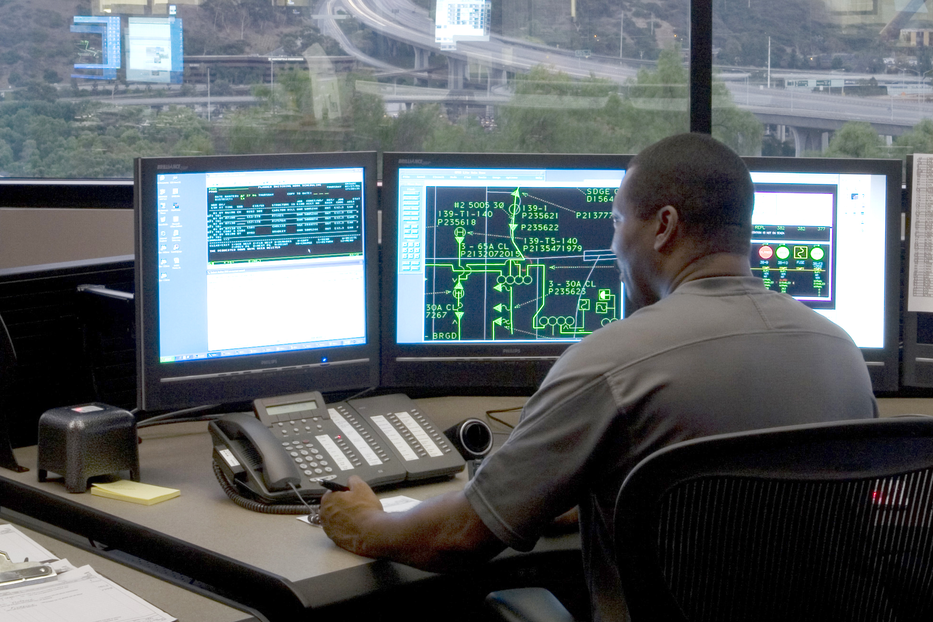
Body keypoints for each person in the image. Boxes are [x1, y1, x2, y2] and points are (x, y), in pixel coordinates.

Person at [318, 132, 877, 620]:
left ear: (663, 227)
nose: (613, 246)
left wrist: (361, 522)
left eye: (615, 222)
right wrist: (582, 493)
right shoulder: (840, 351)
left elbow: (460, 537)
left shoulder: (613, 362)